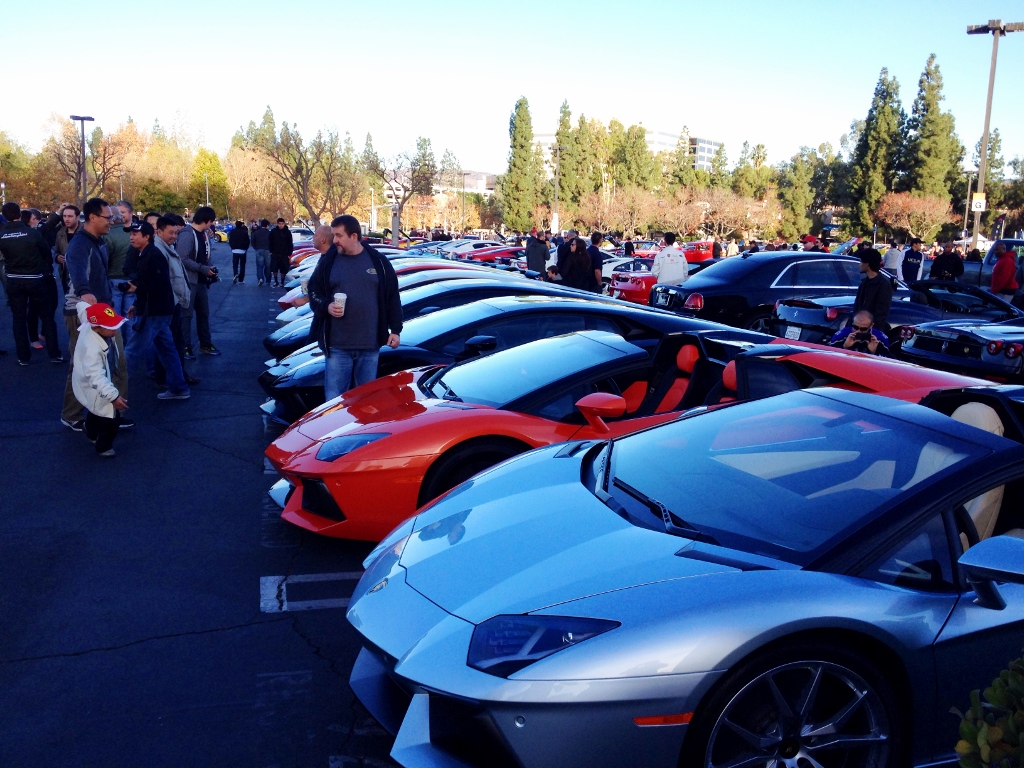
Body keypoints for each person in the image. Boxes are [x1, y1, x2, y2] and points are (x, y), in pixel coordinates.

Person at [307, 214, 402, 401]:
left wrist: (396, 329)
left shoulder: (379, 262)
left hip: (370, 346)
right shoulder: (329, 261)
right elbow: (313, 291)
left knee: (366, 402)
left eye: (339, 236)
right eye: (333, 236)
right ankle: (334, 431)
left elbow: (392, 297)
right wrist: (326, 306)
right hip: (337, 346)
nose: (335, 241)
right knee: (334, 402)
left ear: (354, 236)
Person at [61, 198, 130, 431]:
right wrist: (84, 292)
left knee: (117, 361)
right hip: (84, 312)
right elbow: (77, 271)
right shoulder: (80, 244)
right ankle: (71, 414)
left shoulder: (98, 242)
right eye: (107, 217)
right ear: (92, 217)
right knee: (81, 365)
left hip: (105, 309)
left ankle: (114, 411)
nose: (112, 221)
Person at [123, 221, 190, 400]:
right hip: (157, 309)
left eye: (135, 234)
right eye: (130, 234)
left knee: (132, 350)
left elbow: (159, 284)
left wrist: (137, 290)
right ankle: (178, 387)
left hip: (155, 311)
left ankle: (113, 392)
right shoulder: (146, 254)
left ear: (147, 236)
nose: (131, 237)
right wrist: (137, 303)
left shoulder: (153, 255)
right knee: (167, 349)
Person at [0, 202, 62, 364]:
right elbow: (45, 251)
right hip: (34, 278)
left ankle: (23, 357)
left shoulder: (2, 234)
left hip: (13, 279)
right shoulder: (31, 233)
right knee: (47, 316)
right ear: (19, 215)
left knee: (18, 318)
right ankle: (54, 354)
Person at [72, 302, 130, 457]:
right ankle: (103, 446)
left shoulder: (89, 323)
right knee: (111, 418)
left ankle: (90, 431)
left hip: (90, 383)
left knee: (95, 410)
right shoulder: (92, 348)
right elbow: (96, 376)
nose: (115, 329)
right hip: (96, 386)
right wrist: (114, 396)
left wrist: (84, 302)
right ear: (97, 327)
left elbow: (82, 308)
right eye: (111, 327)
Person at [153, 215, 199, 386]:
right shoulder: (158, 250)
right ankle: (170, 379)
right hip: (169, 305)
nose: (174, 236)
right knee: (168, 344)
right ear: (159, 231)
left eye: (176, 233)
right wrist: (173, 302)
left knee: (173, 343)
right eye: (170, 233)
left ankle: (175, 376)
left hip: (174, 303)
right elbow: (163, 281)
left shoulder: (168, 247)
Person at [175, 206, 220, 358]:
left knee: (203, 314)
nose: (212, 224)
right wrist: (202, 268)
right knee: (186, 316)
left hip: (201, 281)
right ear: (206, 221)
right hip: (189, 281)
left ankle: (205, 344)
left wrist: (208, 269)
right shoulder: (187, 235)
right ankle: (185, 346)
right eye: (211, 221)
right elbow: (182, 258)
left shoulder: (204, 235)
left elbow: (204, 256)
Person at [105, 201, 135, 347]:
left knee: (115, 317)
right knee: (129, 317)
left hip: (113, 278)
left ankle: (117, 349)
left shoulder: (108, 235)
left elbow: (105, 259)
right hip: (131, 280)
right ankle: (130, 349)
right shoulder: (132, 235)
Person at [290, 225, 332, 307]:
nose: (312, 237)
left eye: (315, 235)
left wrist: (306, 299)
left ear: (323, 240)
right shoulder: (324, 258)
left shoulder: (329, 261)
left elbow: (326, 289)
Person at [852, 248, 893, 331]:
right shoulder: (864, 283)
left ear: (867, 264)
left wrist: (870, 329)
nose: (860, 265)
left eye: (861, 262)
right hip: (858, 329)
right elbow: (857, 306)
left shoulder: (883, 285)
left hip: (872, 331)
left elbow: (881, 312)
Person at [268, 218, 293, 287]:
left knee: (283, 269)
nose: (281, 225)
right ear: (277, 224)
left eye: (282, 224)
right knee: (274, 268)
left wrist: (289, 253)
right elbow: (270, 242)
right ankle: (276, 281)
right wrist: (271, 251)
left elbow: (290, 243)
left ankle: (282, 282)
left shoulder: (287, 232)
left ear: (284, 224)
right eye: (279, 224)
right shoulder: (273, 232)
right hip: (275, 253)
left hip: (284, 254)